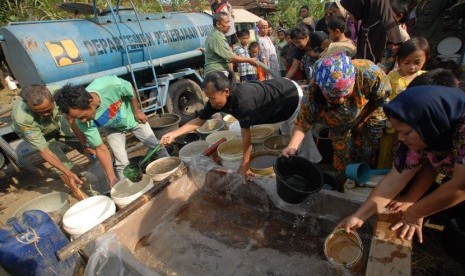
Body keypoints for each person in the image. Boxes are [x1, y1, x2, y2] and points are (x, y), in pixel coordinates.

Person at [336, 86, 465, 243]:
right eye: (398, 132)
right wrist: (359, 216)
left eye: (406, 132)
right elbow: (393, 181)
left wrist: (416, 212)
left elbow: (459, 187)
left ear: (430, 124)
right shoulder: (430, 134)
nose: (400, 138)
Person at [160, 71, 320, 180]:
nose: (211, 101)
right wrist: (173, 134)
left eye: (212, 97)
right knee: (286, 138)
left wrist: (245, 165)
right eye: (208, 97)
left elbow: (246, 136)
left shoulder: (243, 101)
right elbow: (199, 120)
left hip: (290, 97)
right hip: (276, 102)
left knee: (300, 142)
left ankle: (313, 169)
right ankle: (291, 167)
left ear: (226, 91)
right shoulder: (217, 101)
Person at [282, 53, 391, 185]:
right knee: (341, 158)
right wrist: (292, 147)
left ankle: (361, 179)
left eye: (345, 94)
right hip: (338, 123)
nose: (340, 100)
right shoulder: (312, 94)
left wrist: (363, 120)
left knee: (366, 150)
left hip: (369, 113)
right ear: (322, 89)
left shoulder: (369, 74)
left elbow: (380, 100)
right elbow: (303, 123)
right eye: (333, 97)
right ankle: (341, 186)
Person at [54, 75, 169, 186]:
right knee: (121, 163)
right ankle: (130, 191)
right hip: (112, 127)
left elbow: (130, 89)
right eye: (79, 118)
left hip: (132, 118)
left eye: (83, 116)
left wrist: (137, 111)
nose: (83, 121)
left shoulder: (109, 85)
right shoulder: (81, 121)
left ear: (91, 102)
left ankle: (171, 171)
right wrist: (111, 178)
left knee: (157, 146)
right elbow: (100, 148)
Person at [12, 85, 92, 199]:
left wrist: (84, 144)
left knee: (87, 143)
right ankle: (79, 193)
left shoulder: (57, 92)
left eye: (48, 109)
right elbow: (44, 151)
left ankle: (99, 167)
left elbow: (72, 116)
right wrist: (67, 172)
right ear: (28, 106)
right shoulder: (23, 119)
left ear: (53, 99)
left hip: (57, 121)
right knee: (62, 164)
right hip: (41, 134)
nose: (45, 114)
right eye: (39, 112)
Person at [204, 12, 258, 76]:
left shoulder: (217, 35)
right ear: (218, 24)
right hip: (217, 73)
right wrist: (249, 60)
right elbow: (230, 57)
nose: (229, 25)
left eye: (229, 22)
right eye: (226, 22)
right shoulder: (217, 37)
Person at [387, 37, 429, 101]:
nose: (412, 67)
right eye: (407, 62)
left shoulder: (426, 77)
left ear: (426, 59)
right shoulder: (391, 78)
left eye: (417, 63)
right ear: (399, 60)